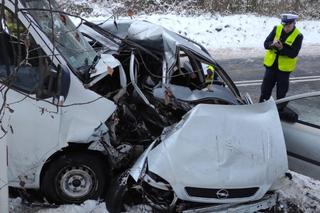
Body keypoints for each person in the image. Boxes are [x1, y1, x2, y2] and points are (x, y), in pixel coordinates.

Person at [259, 13, 303, 103]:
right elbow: (266, 43)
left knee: (281, 94)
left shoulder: (298, 35)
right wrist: (271, 44)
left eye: (288, 25)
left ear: (294, 23)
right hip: (271, 66)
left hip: (284, 70)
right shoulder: (277, 28)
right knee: (265, 91)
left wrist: (281, 48)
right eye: (284, 25)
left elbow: (294, 53)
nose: (286, 27)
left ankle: (280, 112)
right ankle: (261, 109)